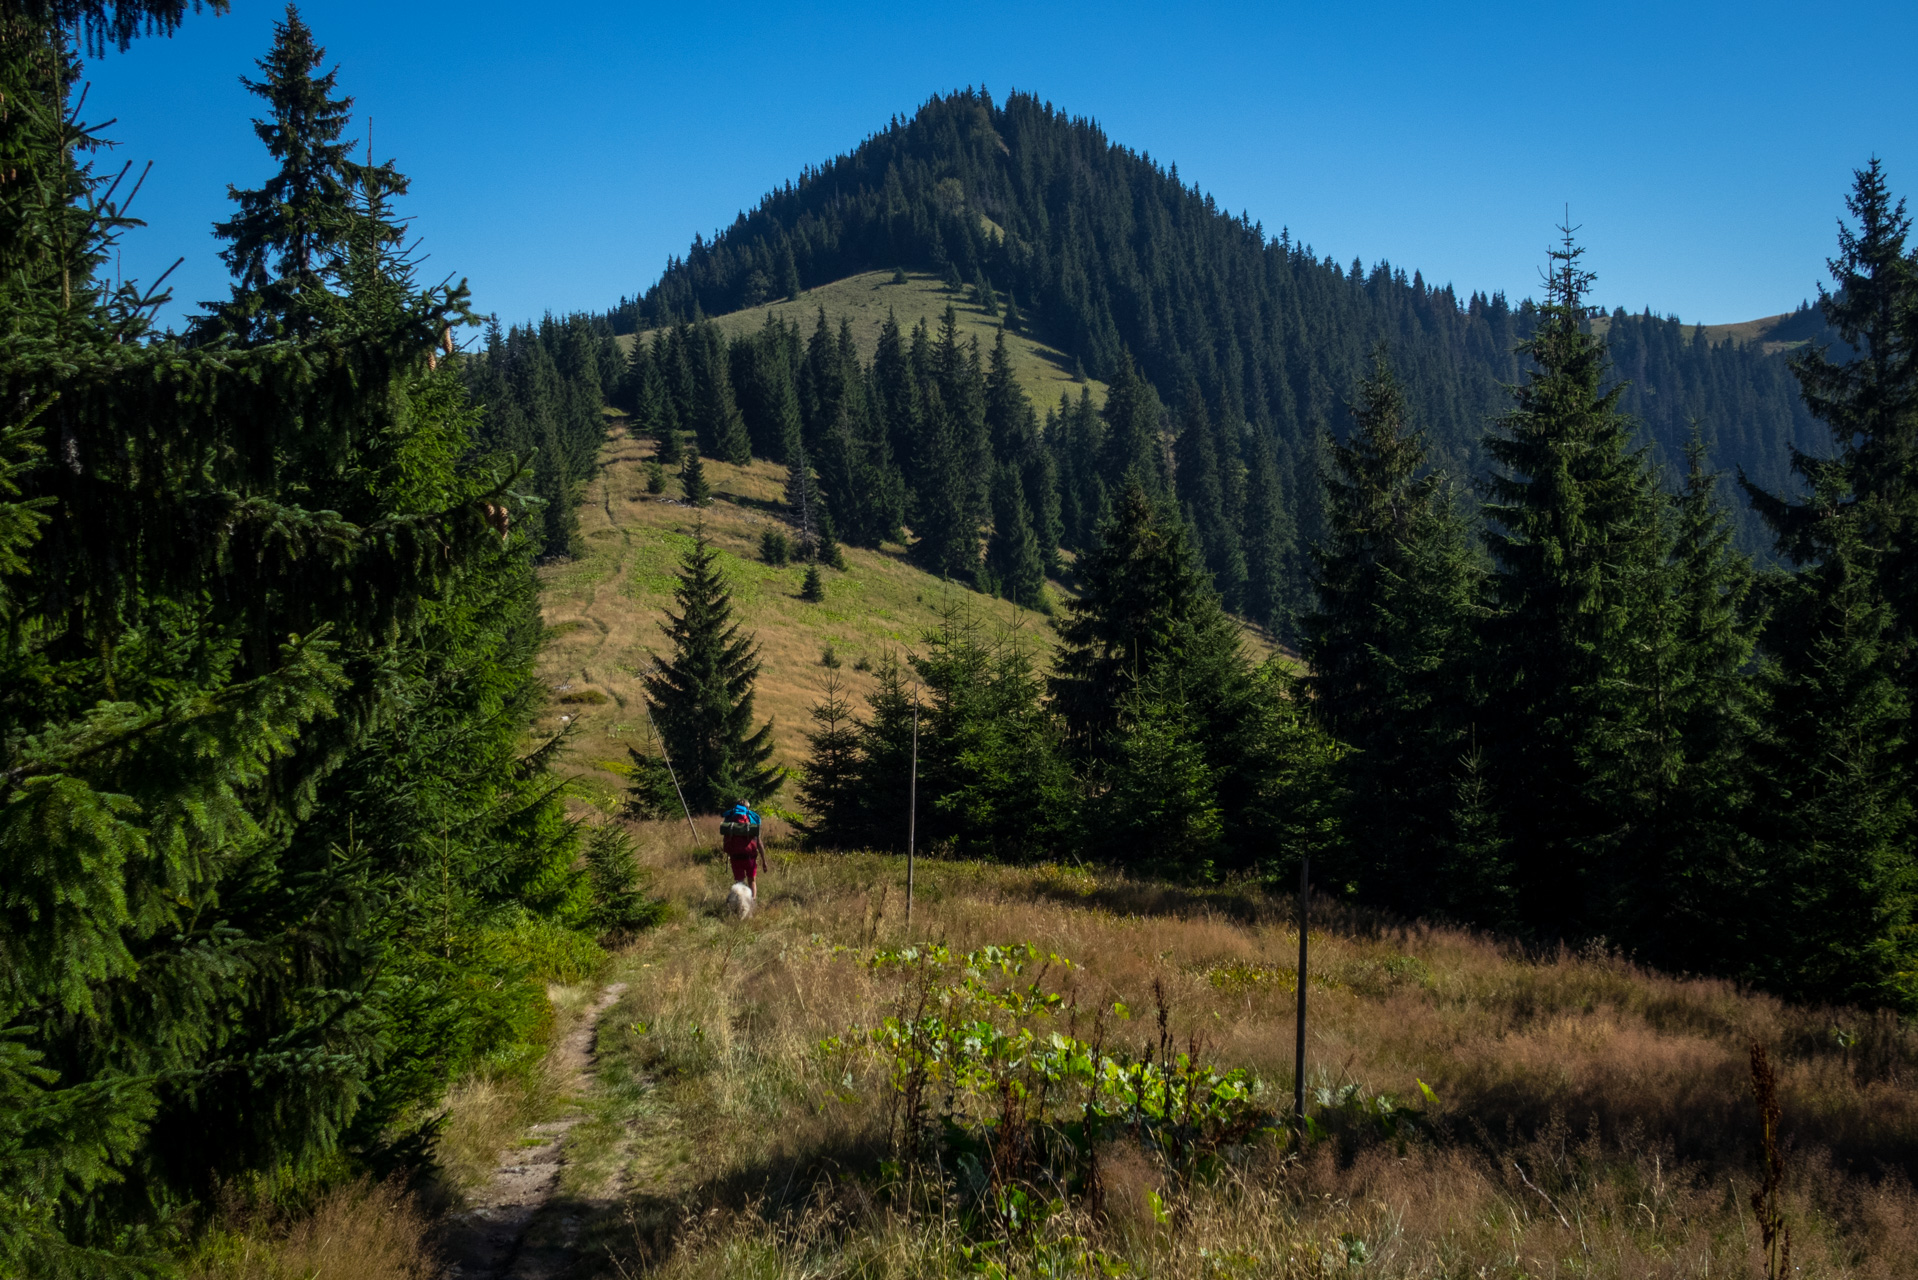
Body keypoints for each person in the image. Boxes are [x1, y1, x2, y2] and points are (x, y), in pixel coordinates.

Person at [721, 799, 764, 895]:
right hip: (750, 857)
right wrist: (764, 861)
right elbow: (759, 843)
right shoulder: (752, 818)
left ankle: (740, 903)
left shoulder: (730, 818)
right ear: (747, 807)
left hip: (735, 856)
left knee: (739, 883)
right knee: (752, 881)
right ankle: (752, 903)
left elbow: (725, 839)